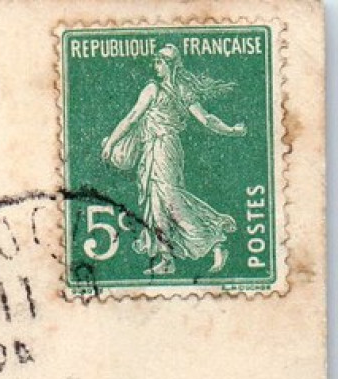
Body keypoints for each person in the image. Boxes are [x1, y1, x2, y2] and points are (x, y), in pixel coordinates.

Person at [100, 44, 246, 276]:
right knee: (156, 202)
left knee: (170, 200)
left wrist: (110, 144)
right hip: (156, 149)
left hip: (163, 149)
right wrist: (231, 130)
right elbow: (206, 119)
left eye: (159, 61)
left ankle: (215, 241)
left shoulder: (156, 89)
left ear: (169, 65)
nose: (155, 65)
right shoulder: (180, 89)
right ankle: (166, 259)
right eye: (156, 61)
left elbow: (131, 118)